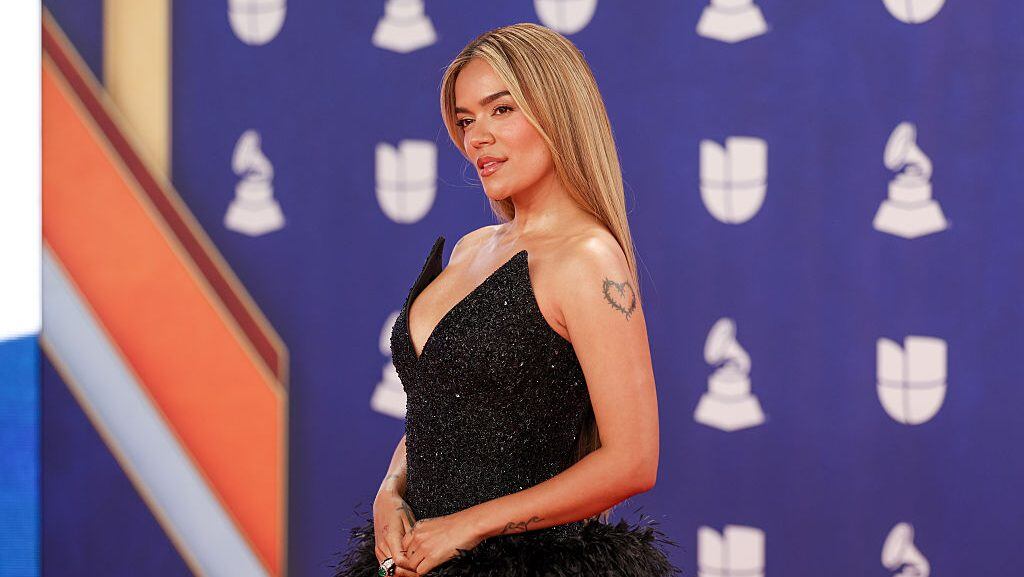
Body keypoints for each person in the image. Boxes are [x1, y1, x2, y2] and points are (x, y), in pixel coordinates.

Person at [331, 22, 681, 577]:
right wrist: (389, 489)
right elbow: (445, 408)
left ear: (558, 112)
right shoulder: (472, 247)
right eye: (465, 121)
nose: (476, 139)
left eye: (501, 110)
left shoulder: (587, 258)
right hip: (417, 558)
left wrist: (472, 525)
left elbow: (632, 461)